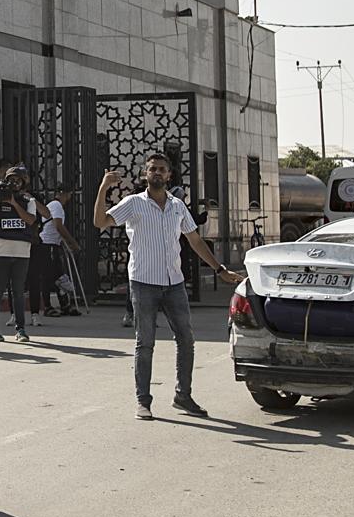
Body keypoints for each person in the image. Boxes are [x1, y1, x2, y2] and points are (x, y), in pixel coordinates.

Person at [93, 153, 242, 420]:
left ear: (169, 175)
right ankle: (143, 401)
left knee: (186, 339)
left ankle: (183, 396)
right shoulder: (133, 204)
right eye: (152, 169)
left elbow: (195, 240)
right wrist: (104, 188)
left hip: (174, 283)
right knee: (145, 343)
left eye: (161, 169)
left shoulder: (177, 206)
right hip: (143, 283)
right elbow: (100, 222)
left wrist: (219, 269)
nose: (157, 173)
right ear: (145, 174)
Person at [0, 165, 39, 342]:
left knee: (18, 291)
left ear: (23, 182)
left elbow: (30, 220)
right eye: (11, 180)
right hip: (1, 249)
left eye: (18, 180)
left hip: (22, 251)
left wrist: (14, 203)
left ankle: (21, 329)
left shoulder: (27, 200)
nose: (14, 183)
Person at [30, 185, 73, 318]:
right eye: (68, 195)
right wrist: (72, 243)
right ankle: (48, 306)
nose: (69, 198)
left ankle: (65, 305)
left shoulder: (54, 205)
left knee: (58, 275)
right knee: (50, 276)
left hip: (53, 244)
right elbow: (58, 225)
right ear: (63, 194)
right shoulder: (57, 205)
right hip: (47, 245)